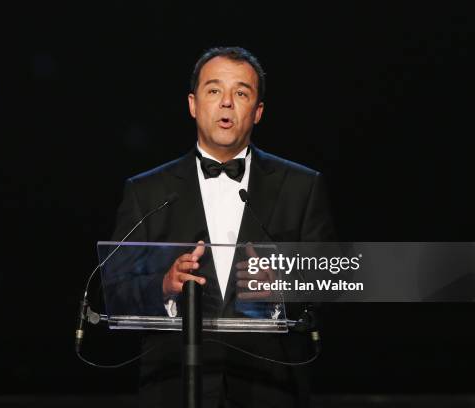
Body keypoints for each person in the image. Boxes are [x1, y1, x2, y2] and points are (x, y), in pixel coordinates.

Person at [110, 47, 336, 408]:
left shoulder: (301, 187)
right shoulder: (147, 191)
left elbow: (331, 284)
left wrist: (283, 286)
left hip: (271, 387)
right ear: (193, 104)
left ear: (257, 111)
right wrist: (163, 286)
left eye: (241, 93)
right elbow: (116, 290)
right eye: (214, 90)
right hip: (174, 386)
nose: (227, 103)